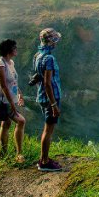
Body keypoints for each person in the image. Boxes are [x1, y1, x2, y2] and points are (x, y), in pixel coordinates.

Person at [0, 39, 26, 163]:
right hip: (3, 101)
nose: (17, 49)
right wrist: (12, 104)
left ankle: (3, 153)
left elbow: (14, 82)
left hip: (10, 100)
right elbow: (4, 86)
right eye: (15, 47)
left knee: (5, 124)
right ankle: (19, 154)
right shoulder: (0, 65)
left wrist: (20, 95)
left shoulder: (10, 62)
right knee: (21, 121)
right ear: (9, 50)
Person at [34, 28, 63, 172]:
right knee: (48, 130)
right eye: (54, 40)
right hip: (50, 97)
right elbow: (47, 83)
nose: (56, 43)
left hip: (42, 96)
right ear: (50, 42)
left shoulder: (37, 56)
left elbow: (38, 76)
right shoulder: (49, 58)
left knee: (48, 128)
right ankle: (44, 162)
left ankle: (43, 158)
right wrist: (54, 105)